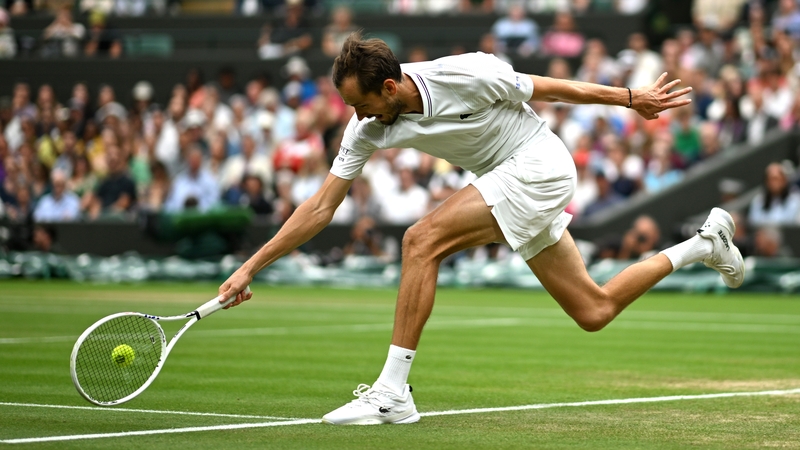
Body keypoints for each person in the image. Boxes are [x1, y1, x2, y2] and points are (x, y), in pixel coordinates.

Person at [216, 32, 745, 425]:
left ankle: (393, 393)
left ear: (390, 86)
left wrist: (632, 99)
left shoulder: (468, 72)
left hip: (539, 165)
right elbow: (319, 208)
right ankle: (704, 244)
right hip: (506, 180)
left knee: (420, 240)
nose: (355, 115)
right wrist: (249, 267)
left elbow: (553, 89)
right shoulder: (366, 127)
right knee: (594, 310)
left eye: (361, 103)